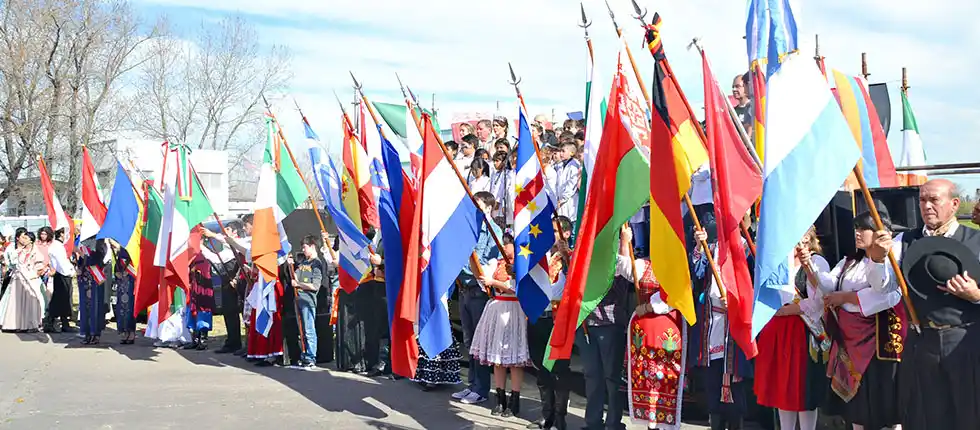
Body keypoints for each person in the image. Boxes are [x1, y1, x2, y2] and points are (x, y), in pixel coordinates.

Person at [867, 179, 980, 430]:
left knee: (970, 415)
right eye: (922, 200)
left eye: (934, 200)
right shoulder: (903, 241)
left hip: (967, 343)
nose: (927, 206)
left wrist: (976, 295)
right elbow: (882, 287)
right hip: (921, 341)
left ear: (954, 204)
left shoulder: (977, 240)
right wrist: (877, 259)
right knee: (924, 417)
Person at [818, 211, 904, 430]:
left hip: (879, 340)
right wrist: (809, 264)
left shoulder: (892, 261)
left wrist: (845, 297)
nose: (857, 233)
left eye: (864, 228)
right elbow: (828, 284)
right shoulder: (849, 262)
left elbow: (884, 294)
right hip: (849, 339)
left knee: (884, 398)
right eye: (856, 228)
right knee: (857, 406)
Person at [754, 227, 831, 430]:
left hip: (802, 329)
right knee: (782, 389)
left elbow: (820, 299)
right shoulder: (780, 261)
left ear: (809, 237)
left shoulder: (817, 262)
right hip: (777, 329)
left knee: (802, 388)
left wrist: (791, 310)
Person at [619, 225, 688, 430]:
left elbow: (676, 296)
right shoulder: (645, 265)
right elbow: (625, 269)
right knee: (646, 378)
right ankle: (651, 424)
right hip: (645, 336)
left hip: (668, 333)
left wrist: (649, 306)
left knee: (667, 377)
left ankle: (666, 424)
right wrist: (625, 242)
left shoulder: (677, 267)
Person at [689, 226, 754, 430]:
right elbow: (698, 273)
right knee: (712, 384)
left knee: (735, 387)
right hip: (712, 324)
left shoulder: (747, 249)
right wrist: (699, 245)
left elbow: (753, 285)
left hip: (735, 325)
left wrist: (737, 303)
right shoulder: (711, 248)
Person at [470, 233, 529, 417]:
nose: (504, 248)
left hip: (514, 310)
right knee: (497, 358)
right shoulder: (496, 263)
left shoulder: (523, 264)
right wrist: (472, 258)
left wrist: (495, 282)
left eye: (508, 245)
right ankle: (500, 398)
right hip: (497, 308)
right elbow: (482, 279)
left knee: (514, 360)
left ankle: (515, 399)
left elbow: (518, 288)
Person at [452, 191, 502, 405]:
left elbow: (489, 263)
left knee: (480, 343)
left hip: (479, 291)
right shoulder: (468, 229)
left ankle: (481, 389)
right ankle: (472, 384)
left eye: (479, 205)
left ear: (489, 208)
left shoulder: (493, 231)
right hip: (464, 289)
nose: (475, 209)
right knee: (469, 341)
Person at [526, 216, 574, 430]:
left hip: (558, 319)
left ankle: (560, 417)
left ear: (566, 233)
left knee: (559, 370)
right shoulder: (540, 254)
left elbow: (568, 285)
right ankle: (547, 414)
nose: (551, 234)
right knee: (541, 369)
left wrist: (566, 255)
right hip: (538, 316)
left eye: (555, 231)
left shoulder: (570, 257)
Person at [0, 230, 44, 332]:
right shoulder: (18, 251)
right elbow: (11, 261)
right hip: (18, 279)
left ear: (31, 240)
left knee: (30, 302)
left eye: (26, 238)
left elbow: (40, 267)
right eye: (23, 238)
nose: (23, 240)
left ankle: (31, 325)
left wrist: (33, 274)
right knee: (17, 302)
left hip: (30, 279)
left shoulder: (35, 251)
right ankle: (15, 324)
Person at [293, 235, 323, 370]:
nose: (303, 250)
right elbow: (296, 276)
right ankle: (304, 355)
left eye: (305, 247)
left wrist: (299, 284)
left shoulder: (316, 264)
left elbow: (315, 286)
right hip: (299, 299)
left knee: (309, 329)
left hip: (308, 301)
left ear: (312, 246)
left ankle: (311, 357)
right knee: (302, 330)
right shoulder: (303, 263)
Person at [185, 234, 215, 351]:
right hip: (193, 286)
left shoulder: (205, 253)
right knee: (192, 311)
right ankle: (195, 338)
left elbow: (206, 271)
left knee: (203, 311)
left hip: (203, 287)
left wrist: (194, 271)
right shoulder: (191, 253)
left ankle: (203, 340)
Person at [76, 240, 108, 344]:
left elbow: (98, 260)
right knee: (85, 307)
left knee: (96, 306)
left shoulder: (101, 244)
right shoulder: (84, 244)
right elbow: (81, 261)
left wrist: (82, 255)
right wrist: (79, 266)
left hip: (95, 278)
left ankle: (95, 333)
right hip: (85, 279)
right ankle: (87, 333)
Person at [45, 228, 76, 333]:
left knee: (62, 300)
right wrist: (70, 272)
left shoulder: (56, 245)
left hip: (60, 274)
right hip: (63, 274)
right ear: (62, 234)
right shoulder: (57, 246)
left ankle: (63, 322)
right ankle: (51, 322)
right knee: (61, 299)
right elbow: (62, 262)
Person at [112, 243, 137, 344]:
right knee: (122, 306)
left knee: (130, 305)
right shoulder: (122, 244)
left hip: (131, 275)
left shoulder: (134, 241)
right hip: (122, 278)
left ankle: (131, 331)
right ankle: (124, 331)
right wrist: (116, 271)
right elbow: (119, 261)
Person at [555, 141, 581, 222]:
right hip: (560, 202)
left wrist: (562, 199)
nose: (561, 154)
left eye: (563, 151)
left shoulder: (574, 166)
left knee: (570, 222)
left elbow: (571, 185)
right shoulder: (559, 165)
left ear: (571, 153)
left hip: (569, 202)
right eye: (560, 151)